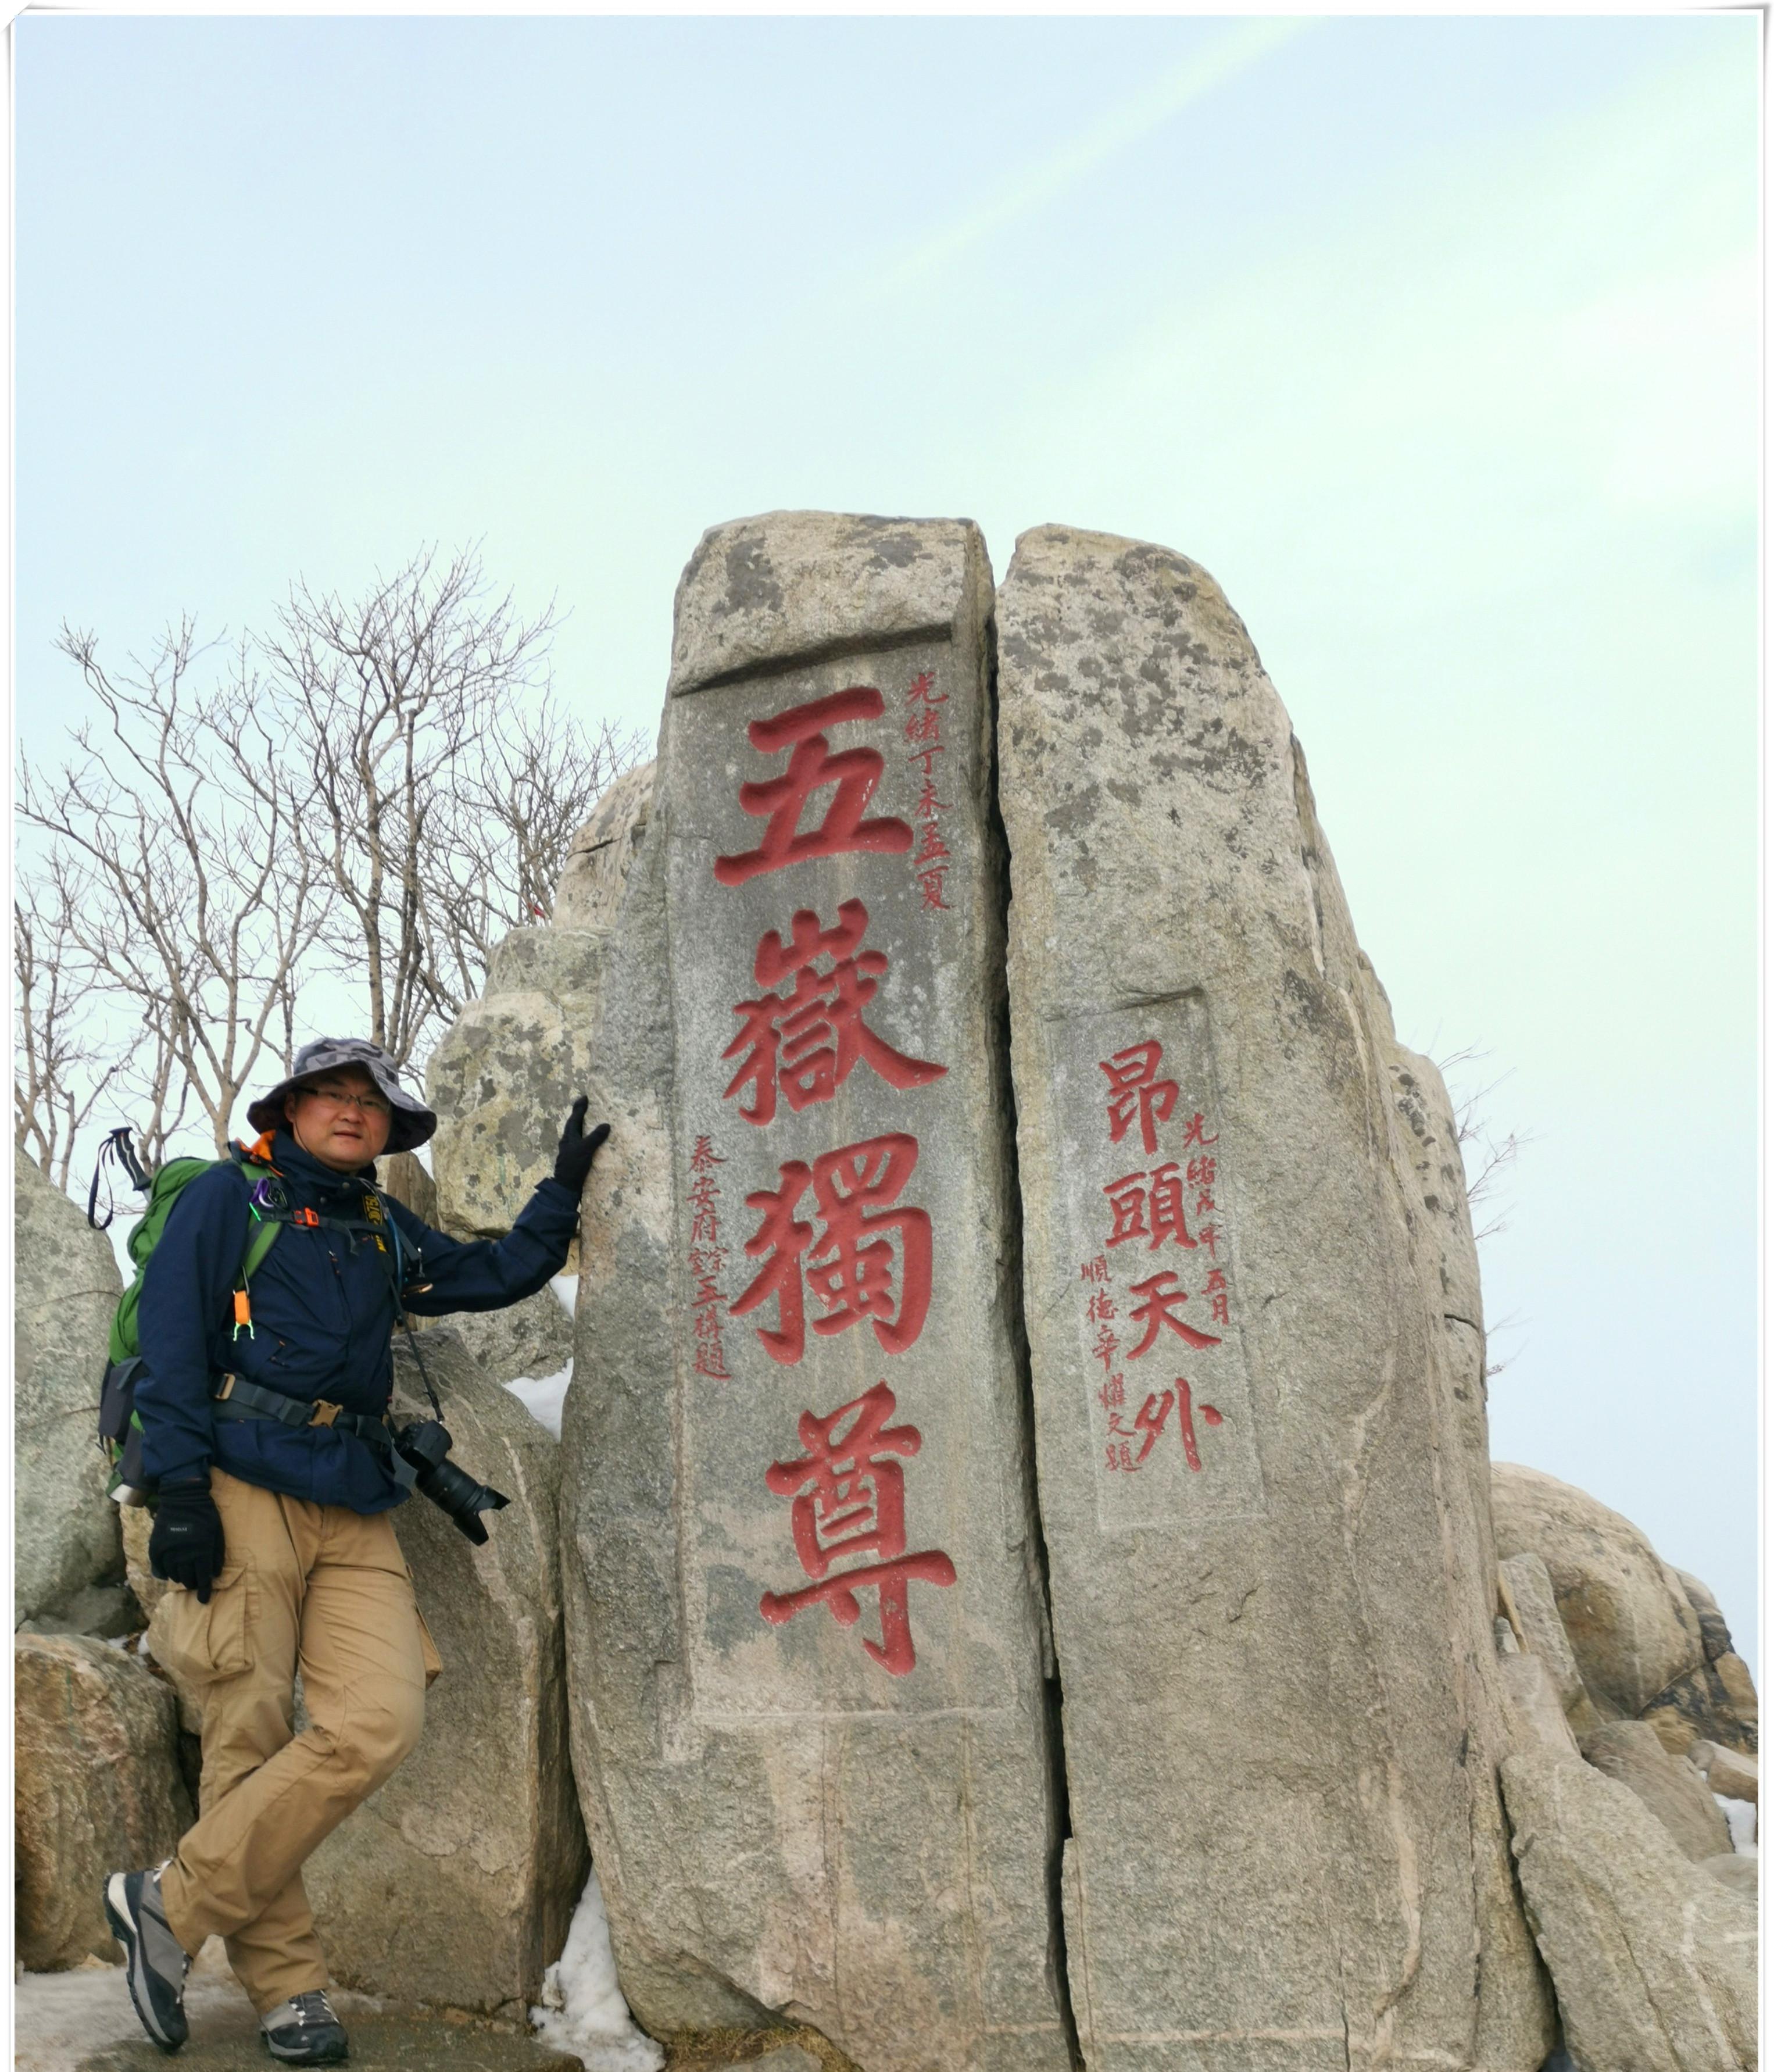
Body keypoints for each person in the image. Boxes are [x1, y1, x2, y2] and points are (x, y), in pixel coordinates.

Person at [102, 1037, 609, 2065]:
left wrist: (560, 1195)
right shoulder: (227, 1203)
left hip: (354, 1492)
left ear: (387, 1128)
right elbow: (170, 1347)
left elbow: (494, 1272)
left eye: (367, 1101)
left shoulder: (379, 1224)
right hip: (241, 1481)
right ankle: (289, 1993)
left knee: (378, 1720)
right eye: (326, 1096)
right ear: (289, 1112)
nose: (348, 1112)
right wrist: (182, 1497)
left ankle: (167, 1902)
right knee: (244, 1734)